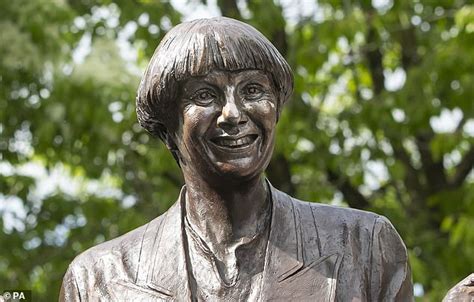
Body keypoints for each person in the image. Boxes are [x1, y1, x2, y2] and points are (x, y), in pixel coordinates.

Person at [60, 17, 413, 301]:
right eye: (204, 94)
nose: (233, 113)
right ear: (167, 129)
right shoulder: (98, 279)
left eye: (253, 90)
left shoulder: (365, 245)